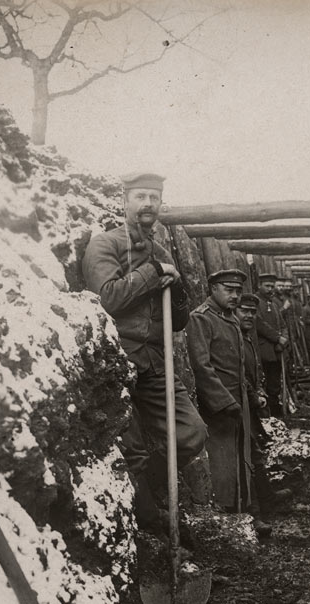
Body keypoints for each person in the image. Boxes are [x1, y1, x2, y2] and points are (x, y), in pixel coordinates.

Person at [82, 171, 207, 536]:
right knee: (131, 448)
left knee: (191, 433)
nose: (148, 204)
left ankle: (151, 486)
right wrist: (153, 273)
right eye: (140, 196)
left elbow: (179, 321)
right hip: (116, 366)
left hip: (154, 364)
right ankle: (150, 521)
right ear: (124, 201)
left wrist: (178, 286)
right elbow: (108, 298)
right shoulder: (103, 245)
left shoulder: (162, 252)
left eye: (155, 197)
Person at [186, 269, 253, 513]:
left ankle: (241, 507)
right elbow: (201, 366)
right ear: (213, 289)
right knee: (220, 458)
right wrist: (224, 402)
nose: (235, 296)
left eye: (238, 291)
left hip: (237, 399)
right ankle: (223, 511)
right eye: (229, 290)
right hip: (217, 404)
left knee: (239, 455)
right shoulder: (201, 319)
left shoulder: (230, 318)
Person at [235, 294, 293, 532]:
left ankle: (267, 498)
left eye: (252, 311)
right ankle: (254, 512)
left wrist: (258, 392)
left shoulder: (246, 336)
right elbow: (237, 373)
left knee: (255, 452)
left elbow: (251, 371)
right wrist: (254, 396)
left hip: (248, 403)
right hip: (234, 404)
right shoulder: (233, 334)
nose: (248, 315)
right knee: (245, 457)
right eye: (243, 310)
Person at [254, 273, 289, 417]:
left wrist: (284, 339)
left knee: (275, 383)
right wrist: (277, 338)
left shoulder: (274, 304)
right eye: (267, 286)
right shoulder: (255, 303)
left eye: (272, 286)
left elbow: (283, 325)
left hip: (276, 352)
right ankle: (265, 414)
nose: (270, 289)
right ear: (259, 285)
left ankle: (275, 412)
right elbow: (259, 324)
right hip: (262, 351)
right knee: (263, 382)